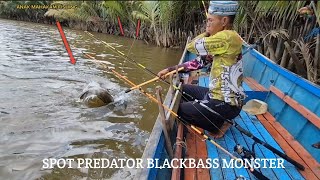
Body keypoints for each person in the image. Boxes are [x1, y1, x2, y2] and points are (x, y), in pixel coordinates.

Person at [157, 1, 244, 138]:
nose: (207, 23)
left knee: (176, 110)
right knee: (182, 89)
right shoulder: (222, 41)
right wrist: (170, 69)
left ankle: (218, 124)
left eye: (210, 20)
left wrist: (207, 33)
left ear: (224, 21)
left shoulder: (226, 37)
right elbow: (199, 62)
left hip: (225, 103)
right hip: (216, 96)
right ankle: (213, 115)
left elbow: (191, 46)